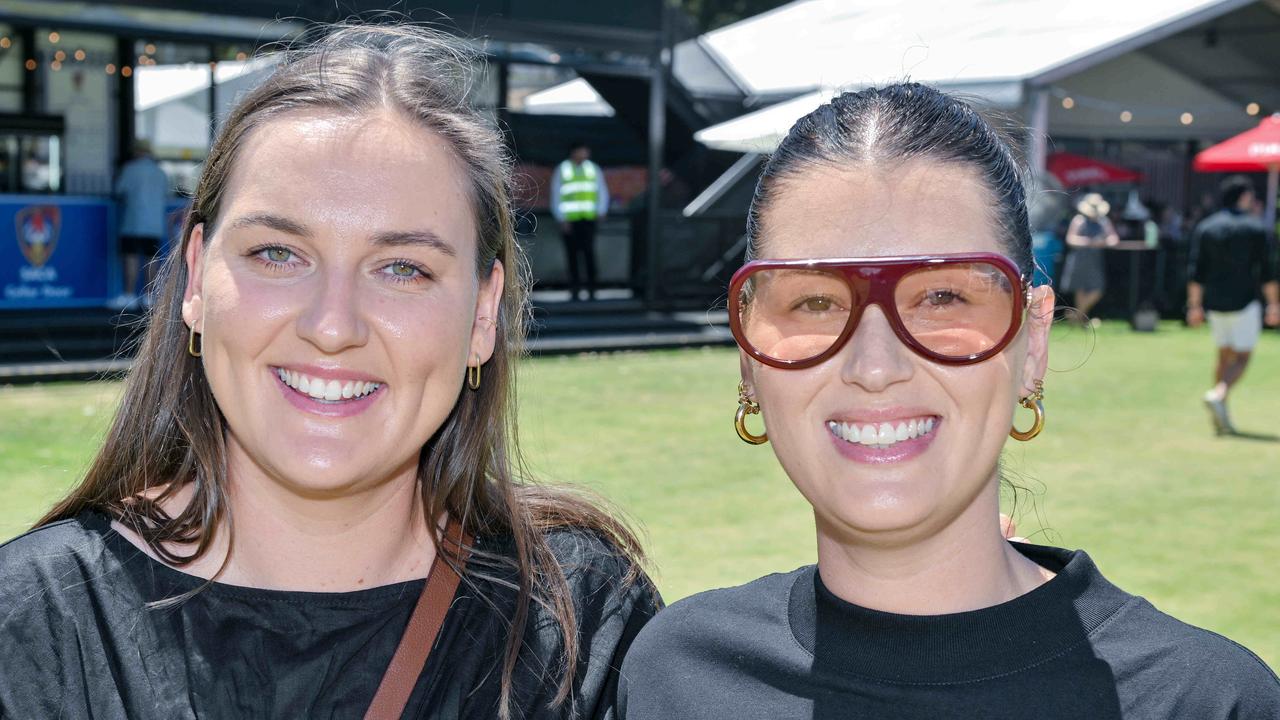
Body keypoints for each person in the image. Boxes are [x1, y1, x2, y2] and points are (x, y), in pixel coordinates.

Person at [0, 26, 657, 720]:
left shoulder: (581, 630)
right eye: (278, 254)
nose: (333, 325)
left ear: (482, 313)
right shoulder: (34, 627)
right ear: (195, 277)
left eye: (403, 268)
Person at [617, 84, 1280, 719]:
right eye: (813, 301)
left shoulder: (1207, 703)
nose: (875, 367)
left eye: (944, 297)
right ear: (749, 357)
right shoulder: (671, 677)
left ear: (1034, 340)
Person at [1186, 175, 1280, 435]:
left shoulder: (1207, 227)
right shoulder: (1255, 228)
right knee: (1243, 357)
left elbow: (1196, 271)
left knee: (1223, 355)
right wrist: (1274, 305)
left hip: (1215, 303)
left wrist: (1194, 306)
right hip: (1245, 302)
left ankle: (1221, 412)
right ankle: (1219, 394)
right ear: (1244, 197)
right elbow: (1268, 272)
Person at [109, 139, 170, 310]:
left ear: (136, 152)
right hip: (154, 224)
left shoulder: (129, 170)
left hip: (133, 221)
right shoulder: (160, 173)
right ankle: (149, 296)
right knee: (152, 258)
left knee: (131, 257)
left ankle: (129, 296)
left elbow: (118, 191)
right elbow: (167, 193)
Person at [550, 140, 609, 300]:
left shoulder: (593, 169)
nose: (584, 154)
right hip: (570, 221)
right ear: (574, 152)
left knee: (589, 254)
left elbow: (601, 191)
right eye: (582, 150)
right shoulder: (563, 170)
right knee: (572, 255)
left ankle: (592, 289)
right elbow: (556, 195)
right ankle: (575, 289)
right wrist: (561, 219)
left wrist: (601, 211)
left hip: (588, 220)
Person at [1059, 191, 1119, 324]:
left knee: (1097, 289)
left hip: (1095, 260)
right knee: (1080, 289)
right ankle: (1082, 320)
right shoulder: (1079, 220)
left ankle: (1077, 315)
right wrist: (1089, 241)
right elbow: (1070, 239)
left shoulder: (1104, 222)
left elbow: (1114, 239)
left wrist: (1103, 242)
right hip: (1079, 259)